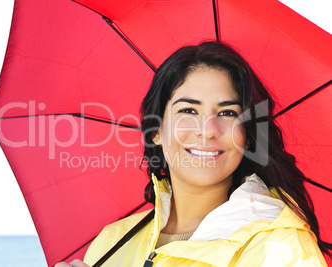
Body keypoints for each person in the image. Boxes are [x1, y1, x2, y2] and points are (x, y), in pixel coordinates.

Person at [55, 42, 330, 266]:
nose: (208, 130)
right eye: (188, 111)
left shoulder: (278, 248)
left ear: (246, 137)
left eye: (227, 113)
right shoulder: (112, 241)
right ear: (156, 131)